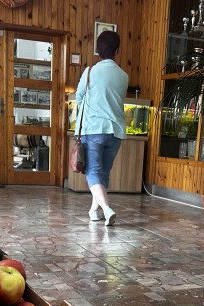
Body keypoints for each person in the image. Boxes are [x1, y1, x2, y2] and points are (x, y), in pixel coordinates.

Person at [75, 30, 128, 226]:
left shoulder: (90, 72)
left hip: (93, 129)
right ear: (117, 51)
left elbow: (79, 97)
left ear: (98, 51)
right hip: (115, 131)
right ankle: (93, 211)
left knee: (92, 172)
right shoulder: (123, 76)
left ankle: (106, 209)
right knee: (103, 172)